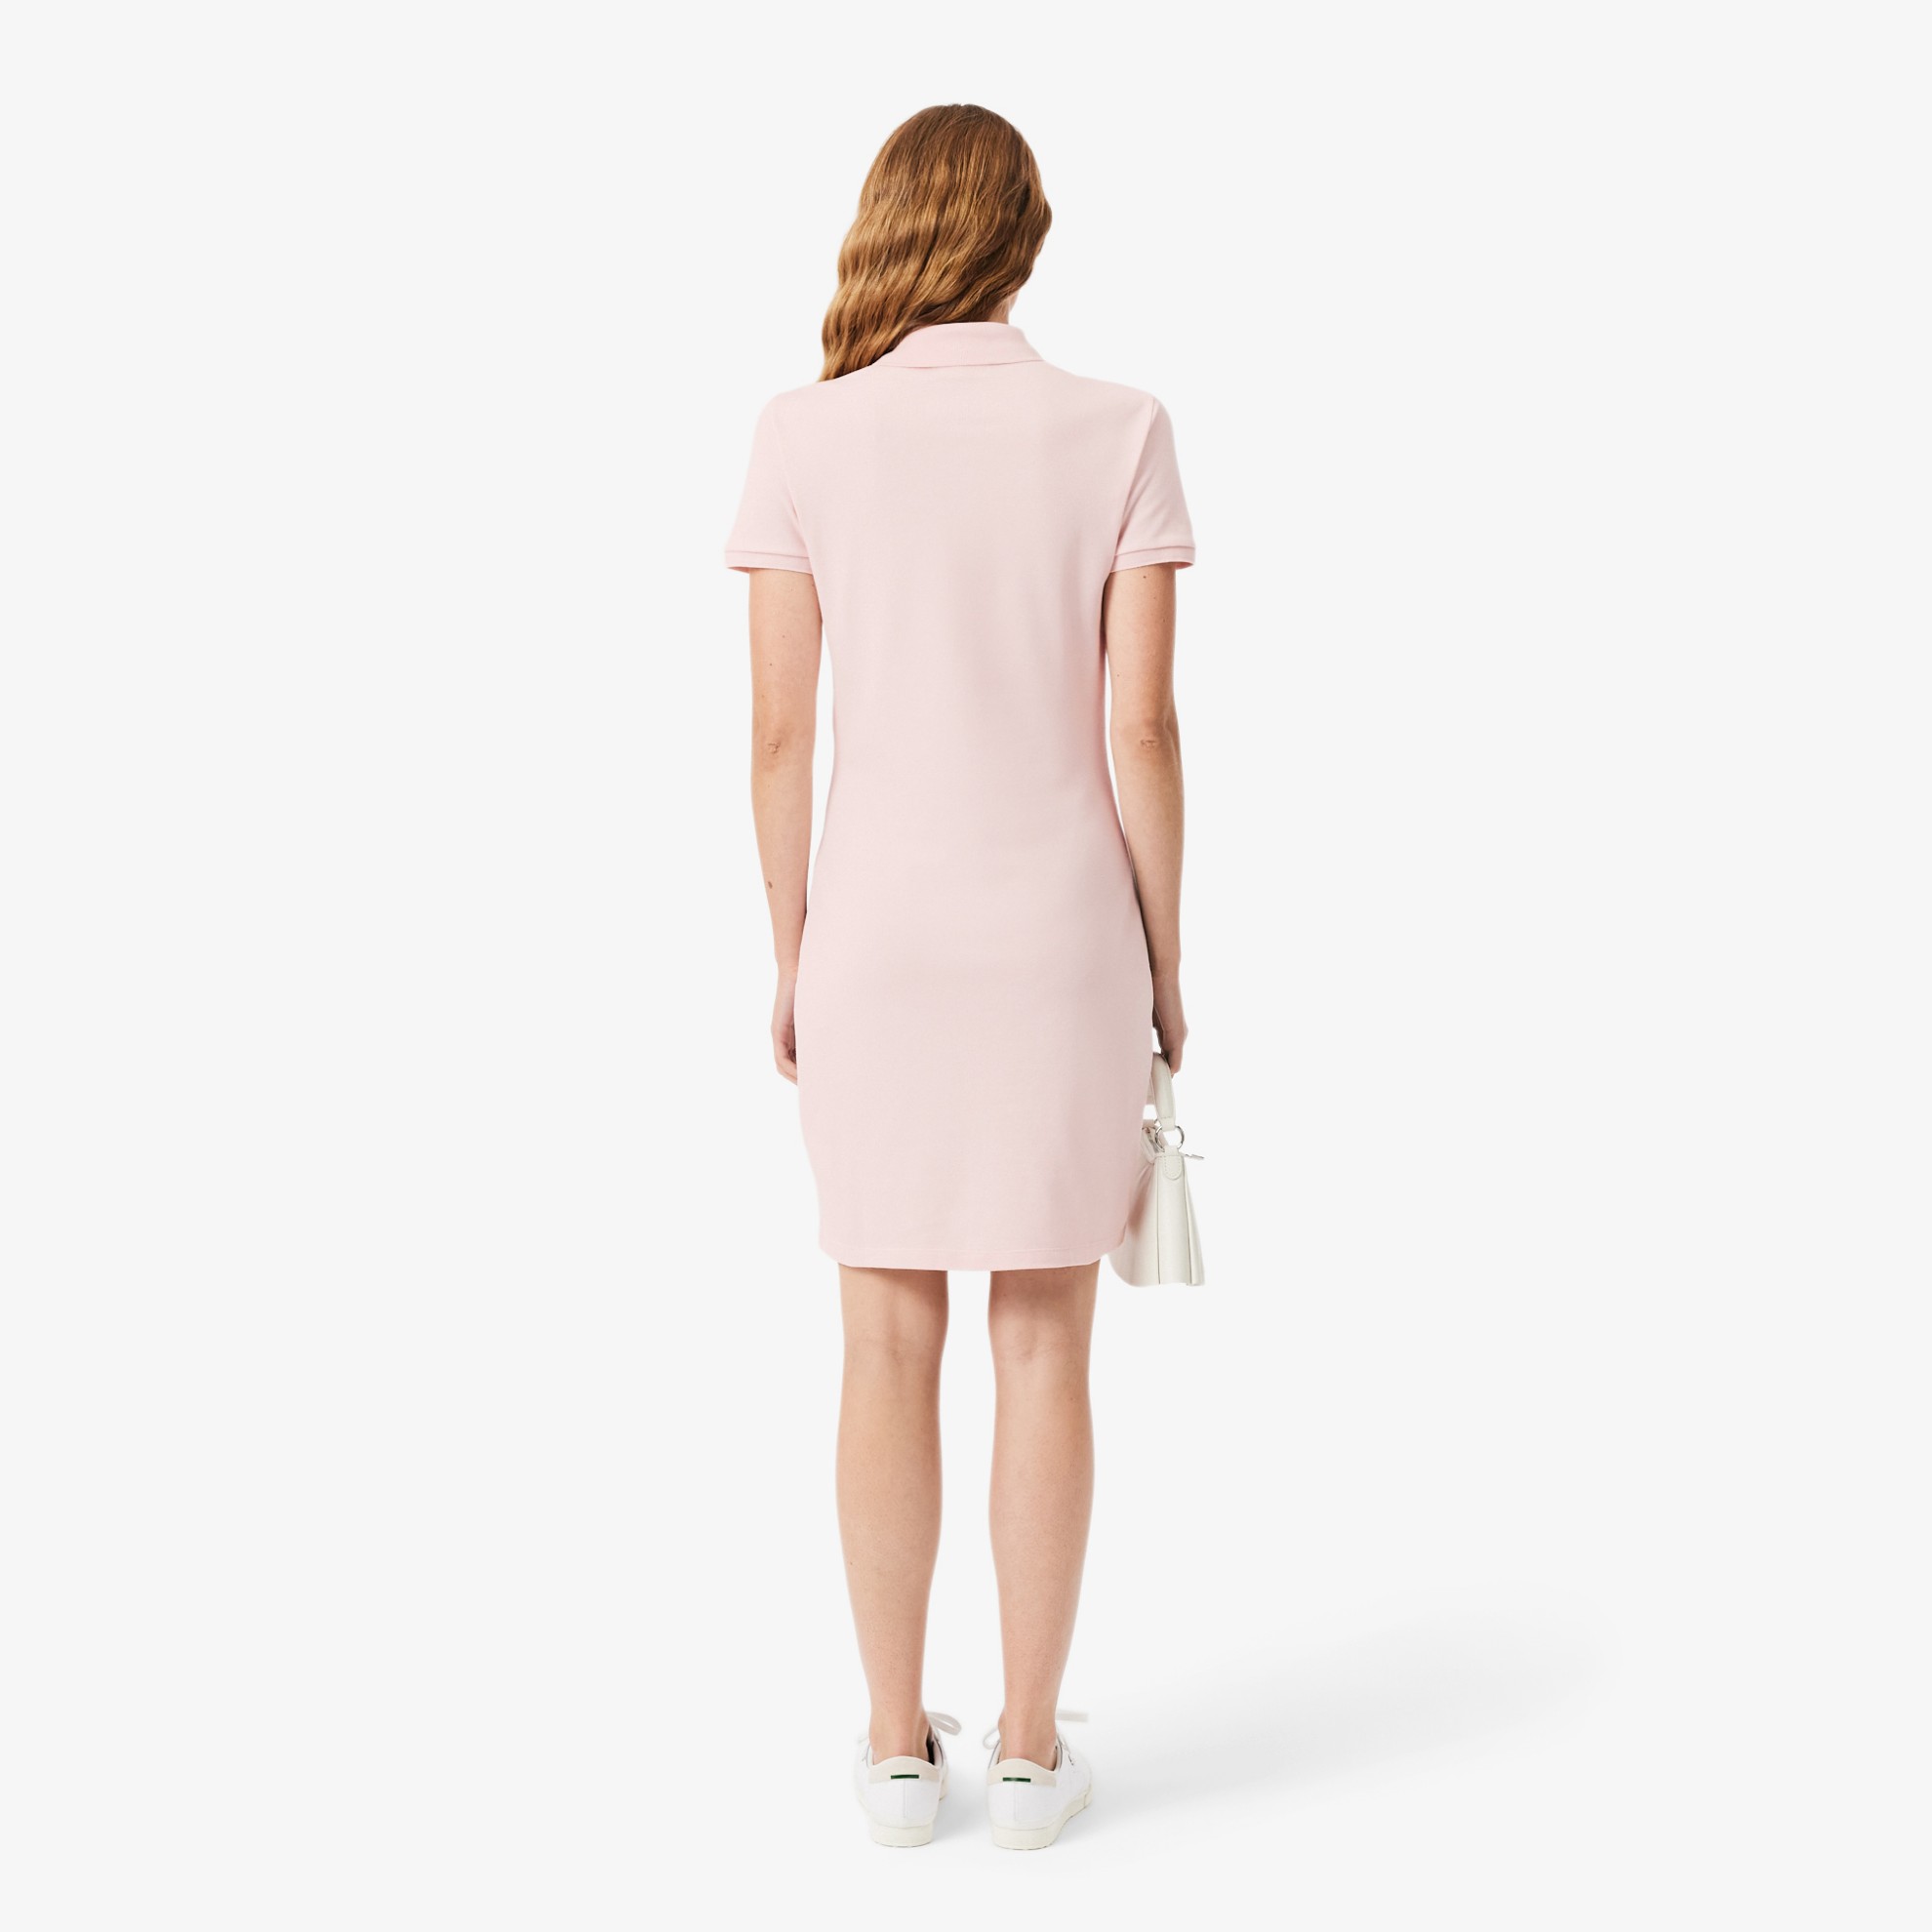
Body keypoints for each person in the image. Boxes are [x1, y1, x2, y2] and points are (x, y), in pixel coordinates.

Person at [725, 102, 1193, 1850]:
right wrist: (1166, 967)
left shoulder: (802, 434)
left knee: (883, 1337)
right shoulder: (1122, 427)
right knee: (1047, 1339)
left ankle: (894, 1751)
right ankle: (1029, 1756)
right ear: (1024, 236)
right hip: (1062, 945)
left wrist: (792, 954)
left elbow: (783, 739)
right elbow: (1140, 731)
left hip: (878, 948)